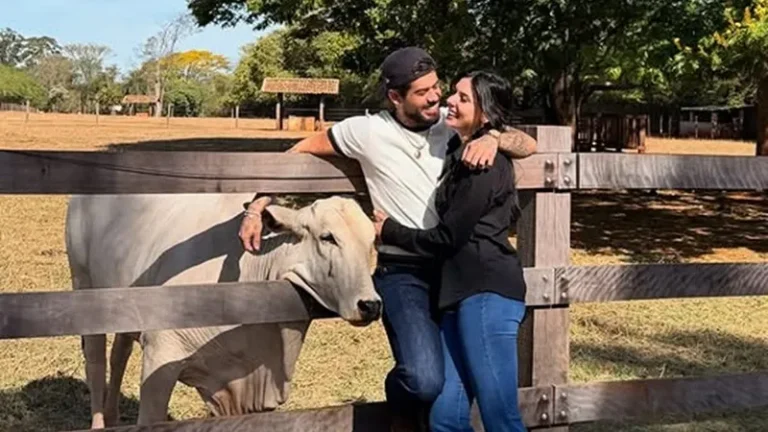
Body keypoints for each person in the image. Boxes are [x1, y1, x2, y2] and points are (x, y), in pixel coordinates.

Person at [238, 48, 536, 431]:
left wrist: (493, 137)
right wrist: (257, 205)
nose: (436, 98)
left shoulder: (452, 127)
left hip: (452, 270)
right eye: (423, 92)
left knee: (455, 395)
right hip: (403, 270)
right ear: (396, 97)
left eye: (438, 87)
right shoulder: (366, 131)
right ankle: (401, 412)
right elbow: (298, 152)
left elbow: (528, 144)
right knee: (425, 380)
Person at [372, 70, 528, 432]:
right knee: (445, 419)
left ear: (486, 114)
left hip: (486, 294)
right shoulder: (460, 151)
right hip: (457, 297)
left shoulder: (483, 166)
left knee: (500, 416)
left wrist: (390, 230)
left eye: (462, 98)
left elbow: (447, 238)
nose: (449, 102)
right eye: (453, 94)